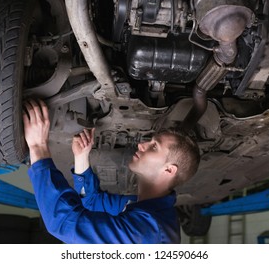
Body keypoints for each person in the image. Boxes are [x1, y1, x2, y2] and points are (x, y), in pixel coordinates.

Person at [23, 99, 200, 244]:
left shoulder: (148, 232)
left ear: (169, 169)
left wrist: (38, 147)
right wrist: (81, 157)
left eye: (154, 146)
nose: (141, 144)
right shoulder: (142, 208)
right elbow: (91, 203)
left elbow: (64, 224)